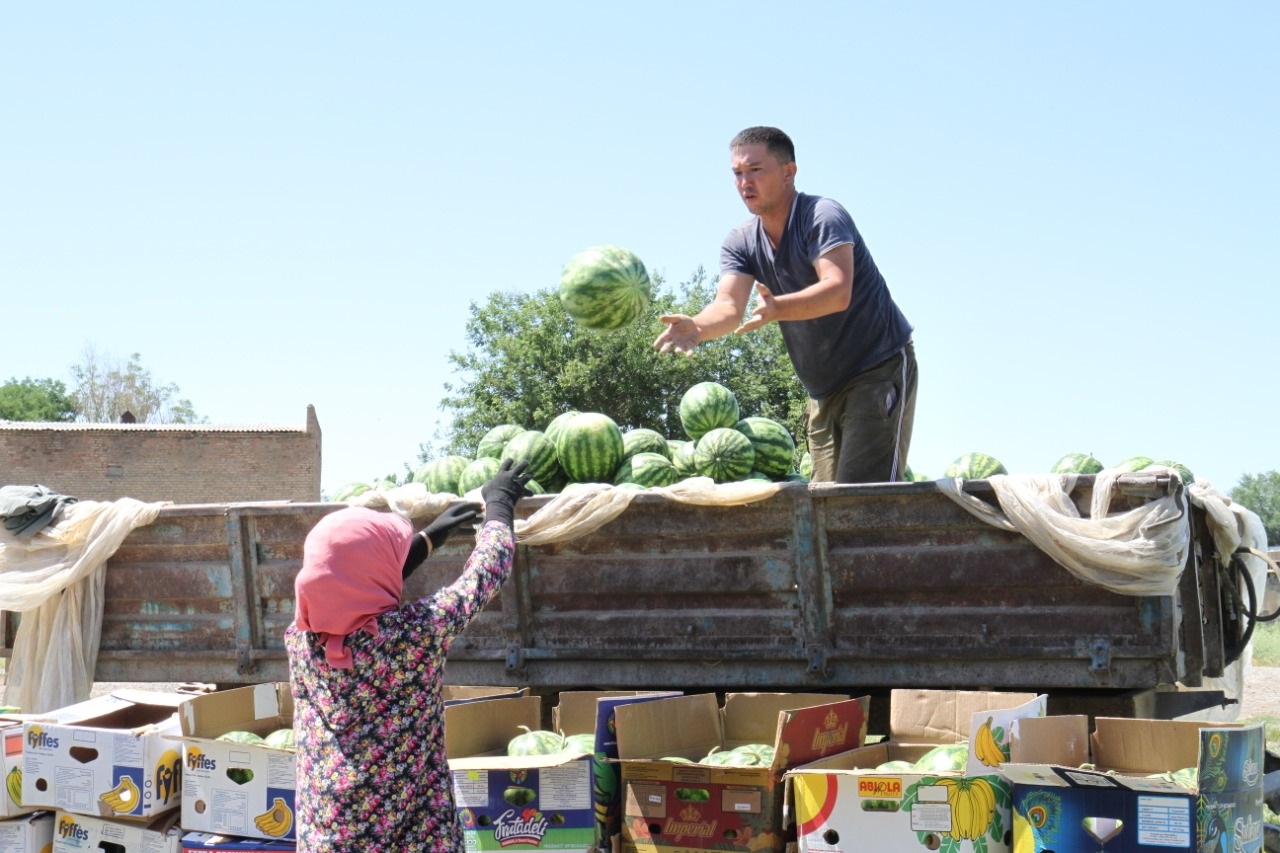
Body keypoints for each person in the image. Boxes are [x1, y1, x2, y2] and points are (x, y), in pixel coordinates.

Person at [286, 459, 532, 852]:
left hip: (329, 828)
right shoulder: (415, 634)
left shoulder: (300, 639)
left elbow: (348, 583)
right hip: (411, 826)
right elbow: (486, 573)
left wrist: (429, 538)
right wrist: (500, 504)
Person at [654, 126, 917, 484]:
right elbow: (729, 306)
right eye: (737, 173)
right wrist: (698, 327)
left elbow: (837, 290)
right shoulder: (741, 241)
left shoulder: (822, 216)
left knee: (862, 501)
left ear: (789, 172)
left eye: (755, 170)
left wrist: (778, 308)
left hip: (876, 369)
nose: (745, 182)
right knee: (824, 503)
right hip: (823, 390)